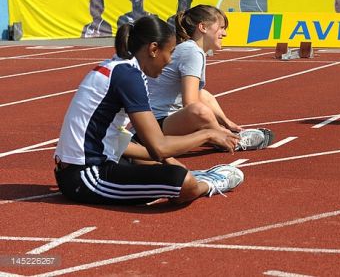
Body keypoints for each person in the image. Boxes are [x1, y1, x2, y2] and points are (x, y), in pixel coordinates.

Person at [54, 16, 244, 206]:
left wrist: (169, 162)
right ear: (153, 49)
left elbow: (118, 140)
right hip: (86, 177)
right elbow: (159, 148)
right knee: (183, 184)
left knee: (159, 166)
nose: (170, 61)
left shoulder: (120, 67)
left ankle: (196, 176)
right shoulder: (128, 77)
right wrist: (208, 134)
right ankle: (209, 183)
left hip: (82, 168)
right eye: (170, 52)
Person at [146, 5, 273, 150]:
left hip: (162, 120)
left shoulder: (192, 49)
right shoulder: (192, 51)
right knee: (200, 110)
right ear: (203, 27)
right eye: (221, 28)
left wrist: (227, 122)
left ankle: (227, 132)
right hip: (155, 124)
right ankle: (227, 140)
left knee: (203, 94)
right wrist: (218, 129)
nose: (224, 34)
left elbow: (199, 96)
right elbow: (191, 105)